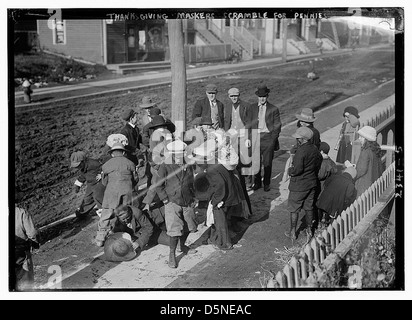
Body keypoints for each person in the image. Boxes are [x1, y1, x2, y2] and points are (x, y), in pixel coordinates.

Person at [155, 139, 198, 268]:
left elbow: (191, 182)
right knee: (174, 230)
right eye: (177, 153)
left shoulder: (188, 164)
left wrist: (194, 197)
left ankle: (182, 246)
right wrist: (165, 199)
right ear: (172, 153)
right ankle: (172, 255)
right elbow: (158, 185)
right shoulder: (165, 166)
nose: (180, 155)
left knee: (189, 225)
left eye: (182, 153)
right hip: (172, 201)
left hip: (187, 200)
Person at [96, 143, 138, 247]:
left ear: (112, 154)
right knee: (126, 212)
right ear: (123, 152)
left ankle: (100, 238)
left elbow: (104, 182)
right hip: (127, 191)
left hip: (112, 192)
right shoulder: (131, 163)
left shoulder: (106, 165)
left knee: (106, 213)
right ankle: (129, 234)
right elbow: (136, 180)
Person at [285, 127, 322, 243]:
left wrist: (290, 170)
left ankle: (292, 232)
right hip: (311, 183)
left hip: (299, 185)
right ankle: (310, 232)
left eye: (298, 138)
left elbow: (297, 170)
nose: (296, 140)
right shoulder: (315, 149)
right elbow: (318, 162)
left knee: (294, 209)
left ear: (302, 139)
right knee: (309, 207)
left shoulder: (300, 151)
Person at [223, 87, 256, 191]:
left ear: (239, 96)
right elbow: (226, 122)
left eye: (235, 96)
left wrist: (249, 138)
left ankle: (248, 182)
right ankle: (236, 181)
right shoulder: (228, 106)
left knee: (245, 160)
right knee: (233, 159)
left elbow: (250, 123)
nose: (234, 98)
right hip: (232, 136)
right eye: (231, 96)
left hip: (244, 136)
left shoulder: (246, 106)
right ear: (229, 97)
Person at [251, 84, 282, 192]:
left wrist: (273, 139)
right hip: (256, 137)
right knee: (256, 162)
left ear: (267, 96)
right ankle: (257, 182)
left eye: (264, 96)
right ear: (257, 97)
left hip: (268, 137)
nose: (262, 98)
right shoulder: (252, 108)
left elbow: (277, 126)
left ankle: (267, 183)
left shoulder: (273, 109)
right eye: (260, 97)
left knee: (267, 162)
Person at [14, 190, 40, 291]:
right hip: (21, 251)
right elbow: (32, 233)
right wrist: (35, 242)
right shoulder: (21, 213)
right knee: (26, 280)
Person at [70, 151, 106, 219]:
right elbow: (83, 176)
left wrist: (102, 174)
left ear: (83, 161)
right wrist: (78, 185)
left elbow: (105, 167)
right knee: (87, 199)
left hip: (99, 183)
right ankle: (81, 215)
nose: (77, 167)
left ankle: (105, 214)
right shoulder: (83, 167)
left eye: (78, 165)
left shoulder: (94, 163)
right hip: (91, 184)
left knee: (98, 197)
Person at [354, 126, 385, 195]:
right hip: (374, 182)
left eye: (361, 137)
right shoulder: (375, 149)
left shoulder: (365, 151)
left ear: (367, 139)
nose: (359, 139)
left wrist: (353, 175)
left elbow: (361, 169)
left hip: (364, 184)